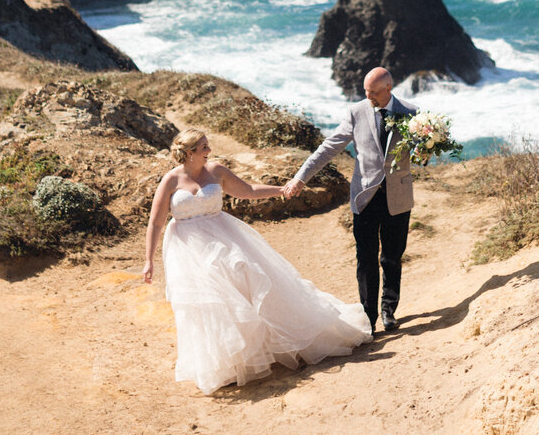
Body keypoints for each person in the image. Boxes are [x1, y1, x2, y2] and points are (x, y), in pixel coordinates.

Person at [144, 127, 371, 395]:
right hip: (187, 247)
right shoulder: (171, 180)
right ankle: (223, 364)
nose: (209, 150)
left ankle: (255, 351)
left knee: (244, 285)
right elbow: (157, 221)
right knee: (206, 302)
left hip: (222, 237)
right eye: (204, 146)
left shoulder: (216, 171)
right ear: (190, 152)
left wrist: (282, 190)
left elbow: (249, 190)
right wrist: (149, 260)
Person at [284, 66, 415, 333]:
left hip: (398, 197)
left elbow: (421, 151)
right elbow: (329, 147)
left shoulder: (412, 114)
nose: (368, 97)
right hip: (364, 197)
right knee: (365, 258)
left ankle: (389, 309)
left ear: (388, 89)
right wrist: (301, 177)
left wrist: (428, 150)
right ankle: (368, 317)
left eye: (373, 93)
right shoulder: (356, 113)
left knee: (392, 257)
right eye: (365, 92)